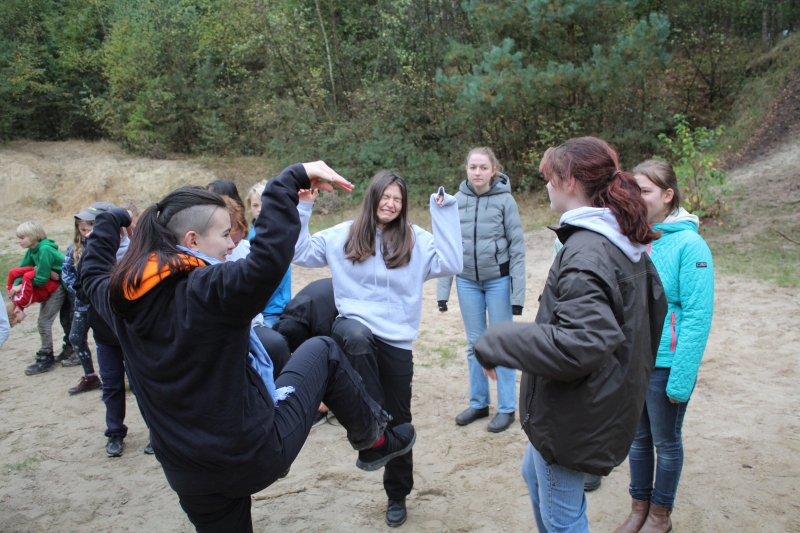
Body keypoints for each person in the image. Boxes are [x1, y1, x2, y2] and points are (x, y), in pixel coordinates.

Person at [79, 161, 416, 533]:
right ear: (192, 241)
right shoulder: (210, 291)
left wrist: (109, 221)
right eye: (225, 234)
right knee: (323, 351)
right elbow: (267, 259)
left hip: (187, 473)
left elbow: (91, 272)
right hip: (251, 455)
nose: (231, 244)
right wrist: (288, 181)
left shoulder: (121, 300)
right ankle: (375, 441)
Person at [473, 137, 667, 533]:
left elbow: (580, 343)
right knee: (534, 474)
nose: (546, 186)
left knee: (564, 519)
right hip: (597, 400)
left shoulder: (588, 251)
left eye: (549, 178)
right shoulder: (618, 240)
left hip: (577, 412)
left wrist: (496, 341)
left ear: (570, 182)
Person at [293, 171, 462, 527]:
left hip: (396, 339)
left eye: (398, 199)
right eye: (385, 196)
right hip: (353, 330)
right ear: (373, 197)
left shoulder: (415, 239)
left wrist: (444, 212)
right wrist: (303, 207)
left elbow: (452, 263)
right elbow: (299, 252)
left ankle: (396, 493)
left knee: (399, 423)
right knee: (355, 336)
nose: (391, 204)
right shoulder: (343, 234)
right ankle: (372, 428)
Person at [612, 160, 715, 533]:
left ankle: (660, 515)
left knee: (666, 443)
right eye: (633, 190)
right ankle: (638, 508)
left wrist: (681, 378)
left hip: (667, 364)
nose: (637, 197)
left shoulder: (691, 245)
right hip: (635, 361)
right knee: (637, 439)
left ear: (668, 195)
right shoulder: (634, 238)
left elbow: (698, 316)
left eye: (645, 190)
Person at [437, 147, 525, 433]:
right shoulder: (455, 201)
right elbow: (447, 246)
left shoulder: (506, 201)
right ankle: (479, 403)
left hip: (498, 280)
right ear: (466, 169)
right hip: (466, 281)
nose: (477, 172)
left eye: (483, 167)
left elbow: (517, 248)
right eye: (473, 167)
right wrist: (442, 292)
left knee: (501, 344)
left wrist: (517, 295)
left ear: (493, 171)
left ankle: (507, 408)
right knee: (474, 344)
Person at [64, 203, 117, 393]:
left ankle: (117, 375)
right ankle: (91, 376)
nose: (86, 232)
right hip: (82, 304)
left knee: (106, 340)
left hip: (103, 305)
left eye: (90, 227)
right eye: (83, 229)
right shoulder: (73, 250)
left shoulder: (108, 247)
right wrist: (83, 291)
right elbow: (67, 275)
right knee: (76, 337)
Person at [11, 222, 69, 376]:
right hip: (52, 286)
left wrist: (23, 284)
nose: (20, 241)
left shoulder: (44, 250)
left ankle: (47, 356)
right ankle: (67, 350)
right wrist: (16, 285)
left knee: (46, 322)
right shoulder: (33, 250)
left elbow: (40, 279)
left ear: (33, 236)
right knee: (51, 321)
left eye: (22, 237)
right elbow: (22, 270)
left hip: (62, 287)